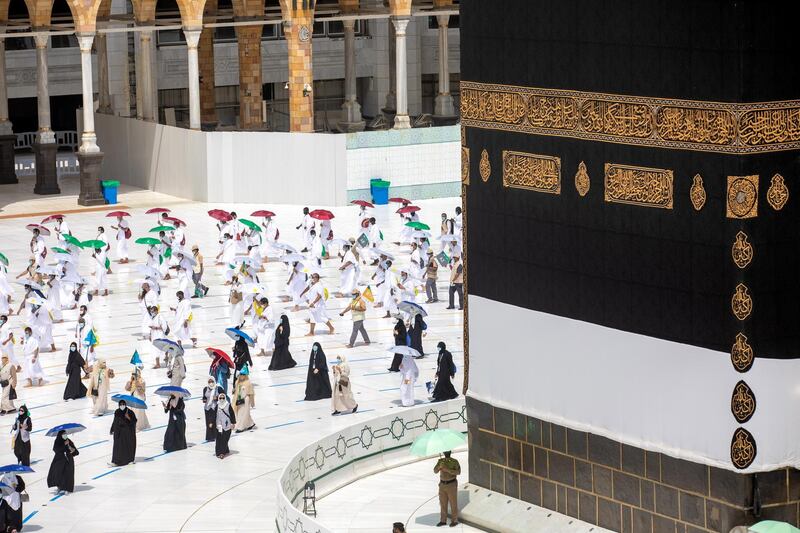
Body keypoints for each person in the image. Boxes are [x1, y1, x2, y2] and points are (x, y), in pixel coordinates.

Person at [434, 450, 461, 527]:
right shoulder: (440, 461)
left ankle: (454, 520)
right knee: (443, 503)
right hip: (442, 485)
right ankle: (443, 520)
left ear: (450, 452)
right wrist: (439, 467)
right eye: (445, 452)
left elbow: (458, 472)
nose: (446, 453)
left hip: (451, 484)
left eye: (447, 452)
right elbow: (435, 471)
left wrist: (447, 470)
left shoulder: (454, 462)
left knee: (453, 503)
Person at [110, 399, 137, 466]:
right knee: (118, 447)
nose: (122, 406)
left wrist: (128, 418)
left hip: (128, 432)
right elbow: (115, 421)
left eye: (123, 404)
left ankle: (130, 460)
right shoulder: (117, 411)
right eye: (121, 405)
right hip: (119, 432)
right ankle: (116, 461)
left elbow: (134, 421)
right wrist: (112, 429)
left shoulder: (130, 412)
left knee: (128, 446)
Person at [233, 368, 255, 432]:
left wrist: (252, 403)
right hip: (238, 399)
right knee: (240, 413)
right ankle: (250, 424)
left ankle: (241, 427)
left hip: (246, 400)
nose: (242, 375)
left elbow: (251, 393)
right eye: (241, 374)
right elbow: (236, 390)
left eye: (243, 374)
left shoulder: (248, 383)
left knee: (243, 413)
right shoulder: (237, 382)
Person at [214, 393, 235, 459]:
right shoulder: (217, 405)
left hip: (227, 425)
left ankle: (222, 453)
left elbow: (232, 414)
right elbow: (214, 415)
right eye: (220, 398)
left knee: (225, 439)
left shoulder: (228, 405)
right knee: (219, 439)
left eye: (223, 398)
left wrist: (233, 423)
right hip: (219, 425)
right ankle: (220, 451)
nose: (222, 399)